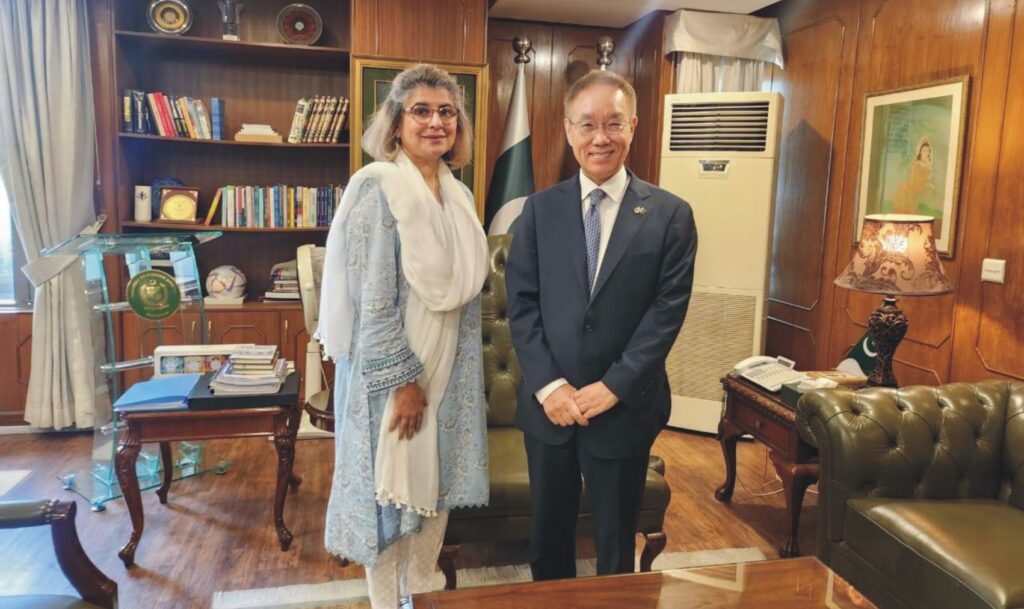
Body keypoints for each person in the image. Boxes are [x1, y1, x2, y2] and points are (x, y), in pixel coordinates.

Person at [505, 70, 698, 580]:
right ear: (568, 130)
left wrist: (613, 386)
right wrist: (550, 387)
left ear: (632, 126)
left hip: (624, 408)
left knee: (615, 548)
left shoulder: (671, 216)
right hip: (550, 408)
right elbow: (521, 306)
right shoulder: (537, 211)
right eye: (587, 124)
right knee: (548, 540)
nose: (600, 137)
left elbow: (666, 312)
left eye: (613, 123)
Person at [317, 64, 489, 609]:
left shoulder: (456, 195)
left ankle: (423, 596)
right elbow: (374, 305)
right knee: (388, 509)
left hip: (447, 374)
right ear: (395, 124)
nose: (436, 122)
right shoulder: (379, 192)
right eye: (421, 110)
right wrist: (404, 383)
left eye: (446, 112)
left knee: (431, 501)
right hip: (393, 381)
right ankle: (387, 604)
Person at [890, 136, 934, 214]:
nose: (926, 153)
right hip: (907, 191)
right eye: (924, 150)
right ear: (920, 152)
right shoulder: (917, 164)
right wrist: (926, 185)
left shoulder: (927, 163)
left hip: (914, 189)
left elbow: (927, 177)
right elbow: (915, 181)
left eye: (928, 151)